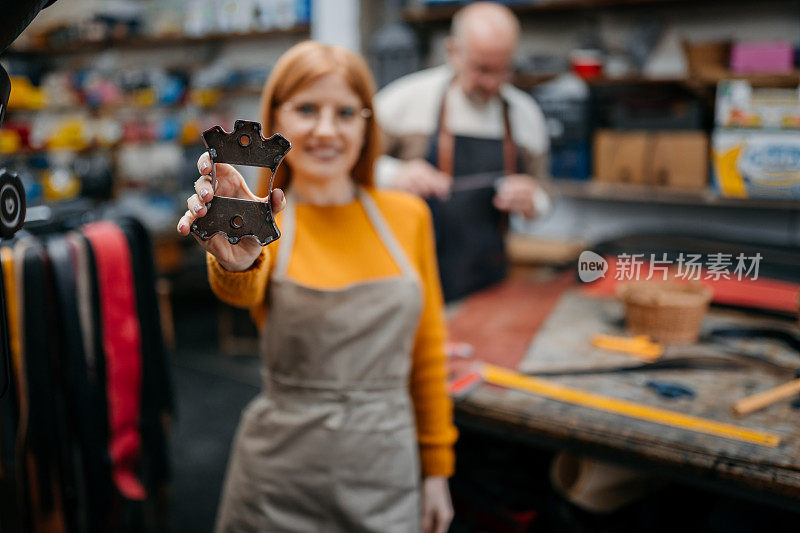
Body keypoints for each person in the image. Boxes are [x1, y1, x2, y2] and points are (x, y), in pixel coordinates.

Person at [176, 41, 458, 533]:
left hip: (385, 470)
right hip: (279, 481)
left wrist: (436, 469)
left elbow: (428, 347)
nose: (327, 130)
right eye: (307, 109)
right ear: (276, 121)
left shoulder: (406, 216)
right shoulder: (266, 221)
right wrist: (237, 261)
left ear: (366, 124)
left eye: (345, 112)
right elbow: (240, 291)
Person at [374, 1, 551, 302]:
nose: (492, 83)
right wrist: (395, 173)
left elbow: (544, 190)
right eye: (482, 69)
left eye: (502, 70)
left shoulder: (525, 115)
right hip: (407, 277)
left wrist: (534, 200)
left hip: (488, 276)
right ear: (453, 51)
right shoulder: (402, 102)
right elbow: (351, 167)